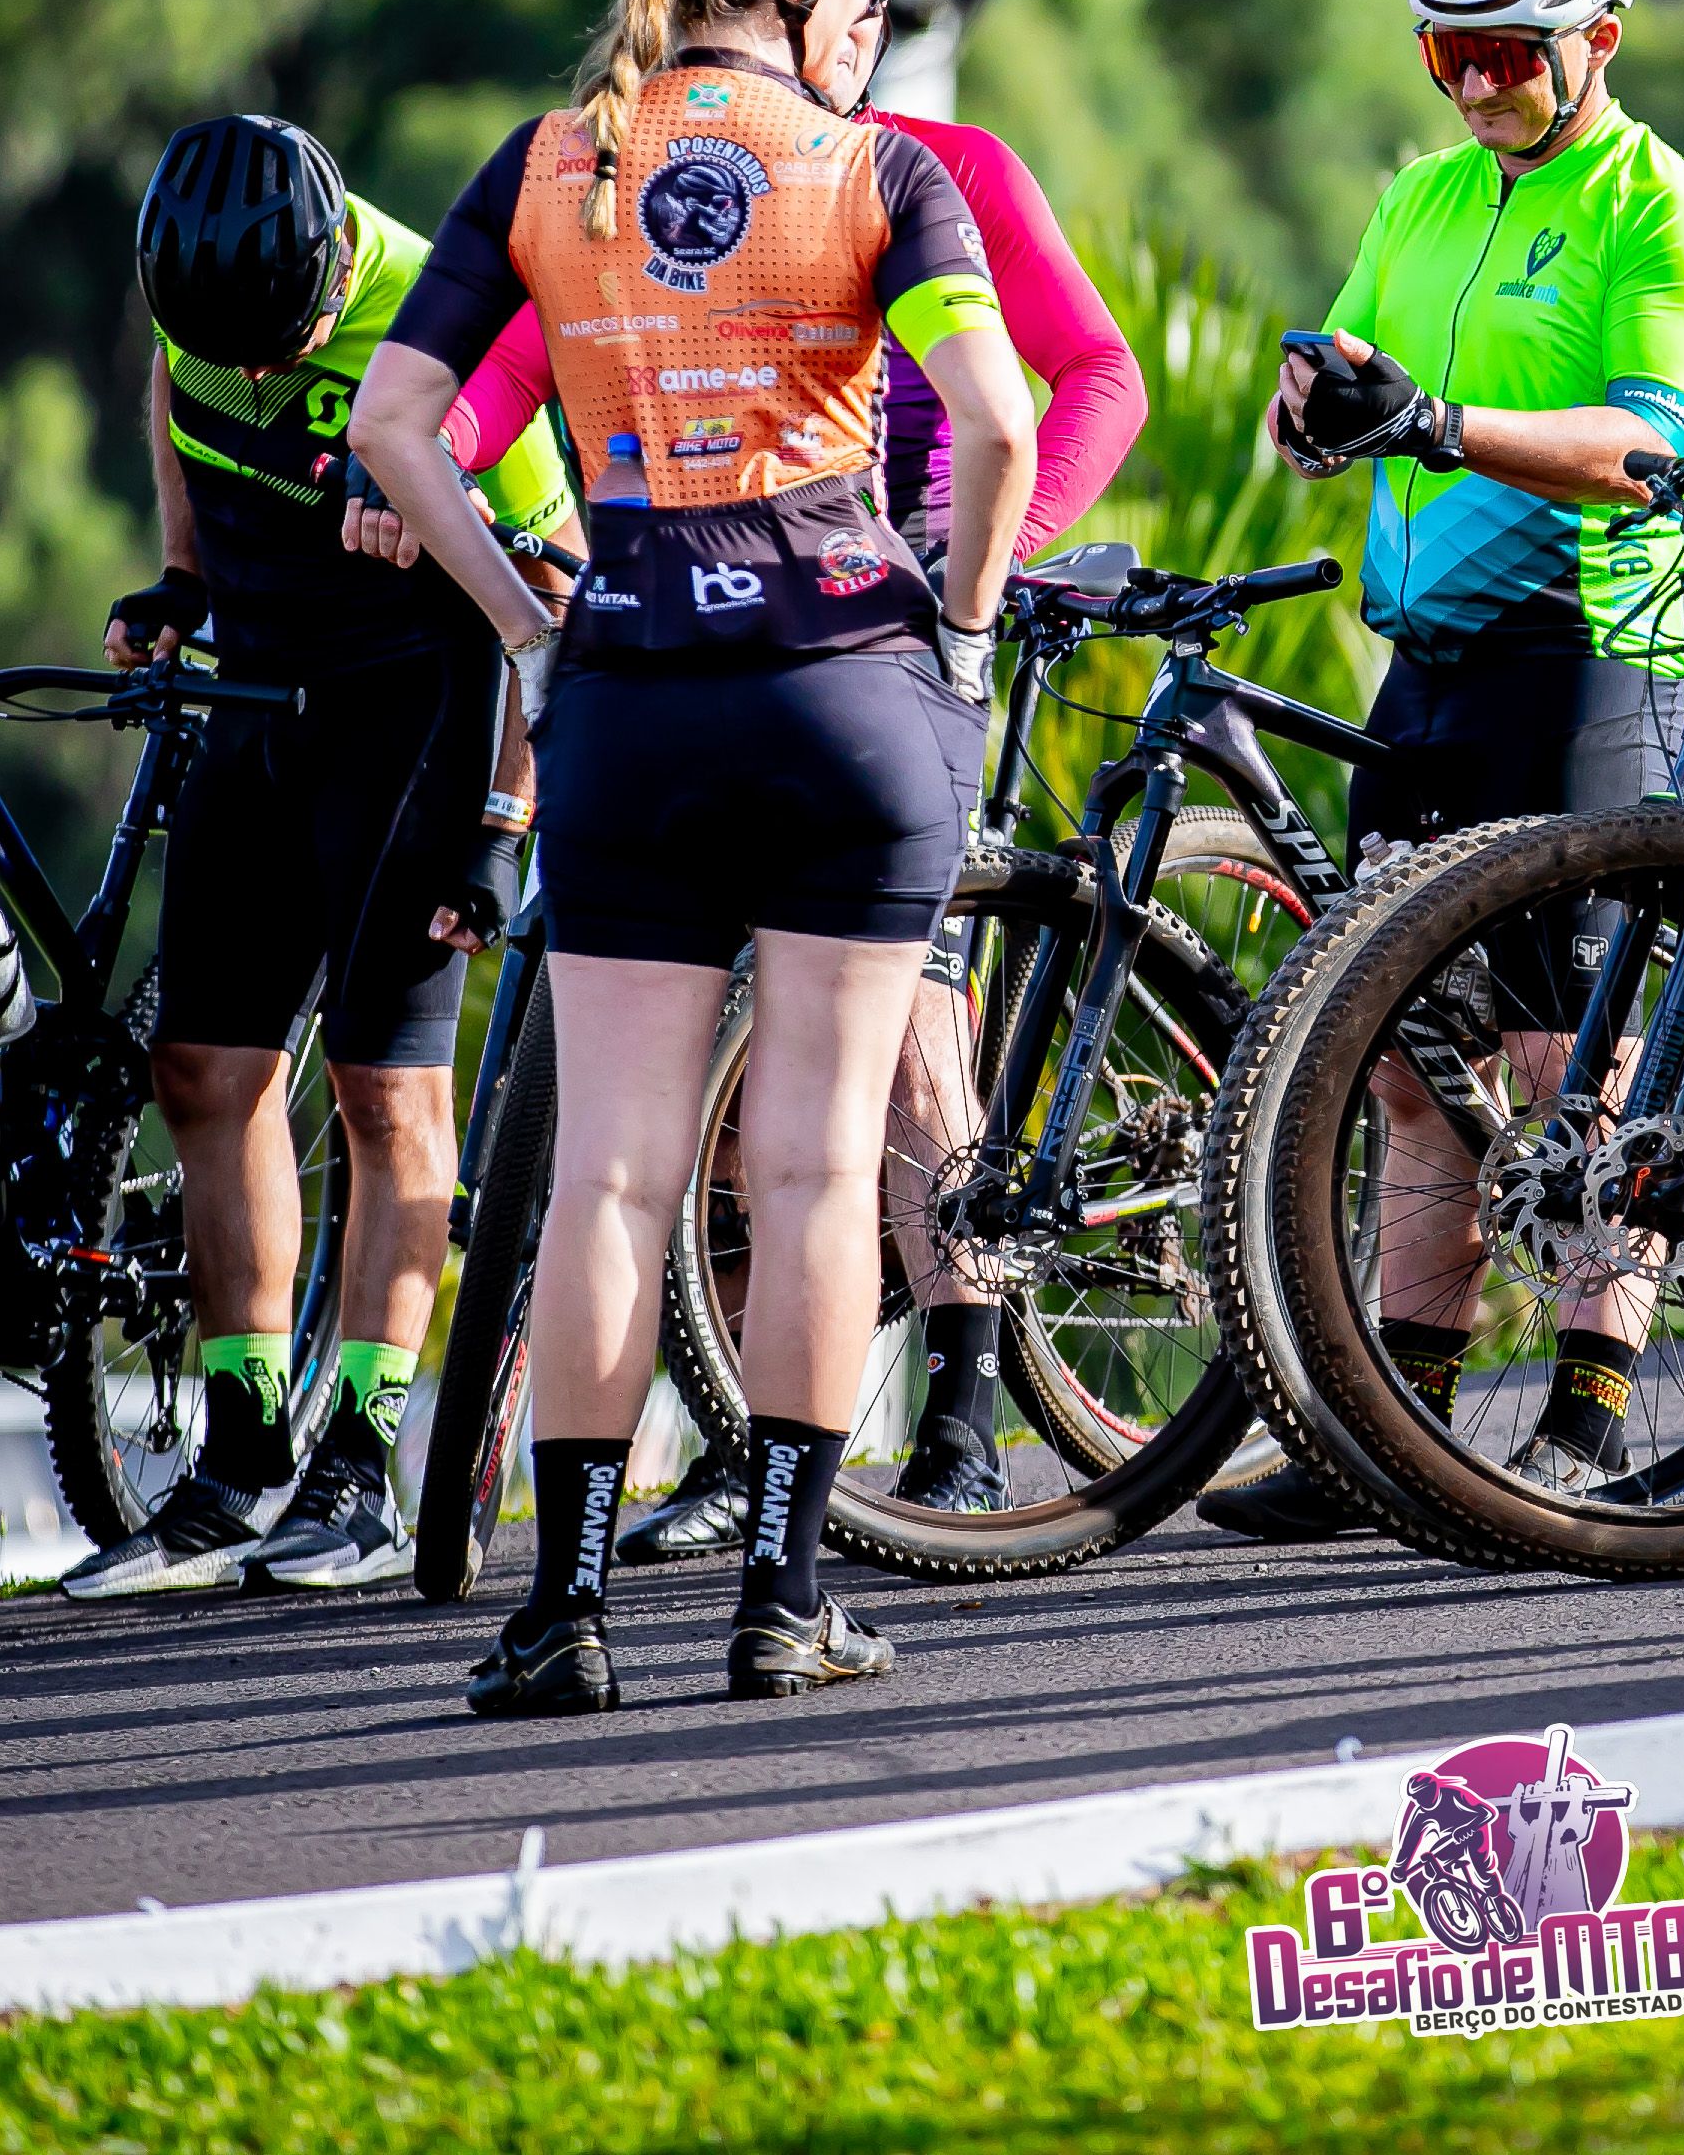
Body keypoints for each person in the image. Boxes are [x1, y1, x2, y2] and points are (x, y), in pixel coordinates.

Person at [348, 0, 1035, 1715]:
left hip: (630, 691)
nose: (873, 5)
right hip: (846, 689)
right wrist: (961, 637)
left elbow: (395, 429)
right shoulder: (879, 170)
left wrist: (528, 629)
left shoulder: (553, 160)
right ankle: (783, 1602)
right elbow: (996, 427)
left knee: (611, 1178)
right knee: (814, 1168)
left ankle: (560, 1615)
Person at [415, 101, 1144, 1556]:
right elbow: (503, 371)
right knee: (746, 1118)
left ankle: (958, 1419)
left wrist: (985, 565)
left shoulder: (941, 166)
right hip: (726, 637)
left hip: (898, 626)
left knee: (907, 1047)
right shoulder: (638, 167)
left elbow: (1095, 378)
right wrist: (430, 458)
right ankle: (748, 1464)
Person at [1198, 0, 1684, 1543]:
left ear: (1602, 37)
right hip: (1427, 665)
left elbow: (1641, 445)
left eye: (1511, 53)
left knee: (1571, 1059)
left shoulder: (1662, 209)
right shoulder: (1423, 195)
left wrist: (1435, 424)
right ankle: (1403, 1431)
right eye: (1451, 55)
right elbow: (1343, 385)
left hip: (1588, 657)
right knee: (1409, 1065)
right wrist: (1314, 410)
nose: (1480, 85)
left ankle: (1589, 1413)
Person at [61, 114, 580, 1600]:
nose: (257, 380)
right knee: (202, 1074)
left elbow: (553, 600)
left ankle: (358, 1462)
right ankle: (239, 1459)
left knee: (380, 1087)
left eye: (283, 354)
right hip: (259, 696)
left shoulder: (442, 319)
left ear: (335, 266)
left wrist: (504, 828)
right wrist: (182, 573)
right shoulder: (201, 314)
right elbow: (177, 394)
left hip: (415, 721)